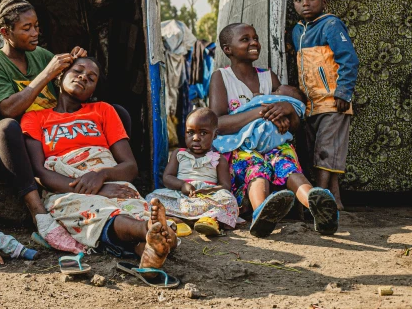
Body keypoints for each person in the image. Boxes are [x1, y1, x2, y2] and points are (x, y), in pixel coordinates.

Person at [22, 57, 178, 284]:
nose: (83, 77)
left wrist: (102, 176)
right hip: (65, 186)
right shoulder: (35, 117)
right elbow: (39, 171)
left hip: (107, 175)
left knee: (131, 204)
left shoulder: (103, 110)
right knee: (99, 211)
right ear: (59, 76)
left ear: (94, 89)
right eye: (78, 71)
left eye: (91, 78)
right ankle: (149, 230)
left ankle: (151, 248)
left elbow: (129, 166)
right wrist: (92, 189)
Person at [0, 0, 90, 251]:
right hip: (12, 153)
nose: (35, 33)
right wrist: (47, 73)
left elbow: (72, 97)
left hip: (48, 143)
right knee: (7, 127)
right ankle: (39, 215)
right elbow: (8, 109)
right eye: (26, 28)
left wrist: (78, 66)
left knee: (112, 112)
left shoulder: (41, 56)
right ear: (6, 32)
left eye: (36, 26)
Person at [209, 23, 339, 237]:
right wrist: (262, 111)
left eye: (255, 37)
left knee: (287, 166)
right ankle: (262, 213)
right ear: (227, 49)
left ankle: (317, 205)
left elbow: (294, 126)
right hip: (241, 146)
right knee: (255, 168)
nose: (254, 43)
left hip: (275, 144)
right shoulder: (222, 77)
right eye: (245, 39)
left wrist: (288, 110)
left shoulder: (269, 77)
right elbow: (218, 125)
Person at [291, 0, 358, 211]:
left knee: (326, 149)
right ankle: (334, 200)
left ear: (323, 1)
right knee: (317, 151)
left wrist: (343, 92)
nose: (305, 3)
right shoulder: (297, 31)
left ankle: (318, 203)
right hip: (311, 105)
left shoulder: (331, 25)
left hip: (333, 101)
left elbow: (348, 59)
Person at [148, 108, 239, 236]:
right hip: (181, 195)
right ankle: (176, 220)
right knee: (153, 198)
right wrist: (182, 185)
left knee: (228, 200)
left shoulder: (219, 159)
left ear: (215, 135)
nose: (196, 138)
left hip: (206, 198)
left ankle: (208, 221)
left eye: (203, 133)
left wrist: (210, 190)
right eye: (190, 132)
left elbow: (225, 186)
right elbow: (167, 177)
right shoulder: (179, 154)